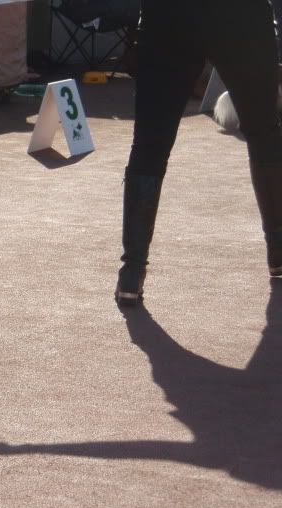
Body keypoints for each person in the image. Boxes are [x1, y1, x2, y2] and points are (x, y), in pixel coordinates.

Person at [115, 0, 282, 306]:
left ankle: (132, 270)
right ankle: (278, 247)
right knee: (263, 130)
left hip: (169, 14)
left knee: (150, 141)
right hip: (240, 14)